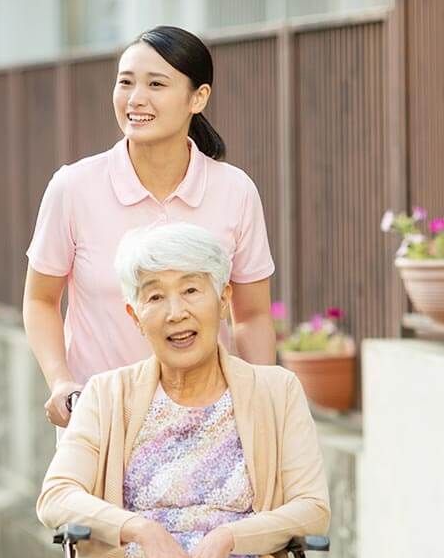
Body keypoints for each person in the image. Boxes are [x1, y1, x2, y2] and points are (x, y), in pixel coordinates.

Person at [36, 223, 330, 558]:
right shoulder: (106, 396)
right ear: (135, 315)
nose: (176, 312)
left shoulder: (276, 391)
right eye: (155, 296)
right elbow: (56, 497)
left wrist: (229, 537)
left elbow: (312, 508)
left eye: (192, 289)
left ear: (223, 297)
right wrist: (143, 531)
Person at [22, 25, 277, 436]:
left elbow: (251, 315)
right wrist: (61, 382)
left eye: (156, 84)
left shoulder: (235, 191)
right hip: (101, 422)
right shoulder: (73, 188)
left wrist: (263, 404)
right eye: (125, 83)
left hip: (210, 427)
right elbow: (40, 300)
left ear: (199, 97)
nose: (135, 99)